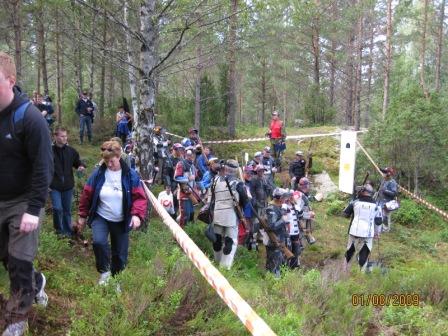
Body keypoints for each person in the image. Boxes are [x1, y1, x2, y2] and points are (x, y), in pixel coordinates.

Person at [0, 52, 53, 336]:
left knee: (19, 259)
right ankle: (37, 282)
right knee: (6, 256)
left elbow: (44, 168)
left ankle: (16, 320)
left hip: (23, 200)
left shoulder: (29, 118)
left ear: (10, 80)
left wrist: (33, 210)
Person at [76, 140, 147, 285]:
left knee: (120, 255)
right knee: (99, 242)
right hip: (101, 216)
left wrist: (136, 215)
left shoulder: (131, 175)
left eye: (112, 161)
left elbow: (139, 197)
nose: (109, 164)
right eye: (106, 160)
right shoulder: (98, 174)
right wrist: (82, 216)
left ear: (119, 156)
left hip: (121, 219)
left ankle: (116, 281)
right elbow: (86, 194)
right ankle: (105, 273)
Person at [208, 160, 249, 269]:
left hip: (217, 214)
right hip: (231, 217)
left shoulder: (215, 180)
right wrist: (242, 215)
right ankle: (225, 267)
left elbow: (211, 198)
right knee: (230, 242)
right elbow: (245, 202)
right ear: (236, 170)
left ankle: (216, 262)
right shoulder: (238, 183)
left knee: (216, 240)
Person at [50, 127, 86, 237]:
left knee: (66, 210)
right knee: (57, 208)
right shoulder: (48, 151)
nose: (65, 138)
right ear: (55, 136)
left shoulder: (71, 151)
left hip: (68, 186)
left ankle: (68, 232)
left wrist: (81, 166)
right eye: (62, 136)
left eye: (66, 136)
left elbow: (78, 163)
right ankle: (59, 231)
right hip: (54, 185)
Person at [343, 184, 382, 271]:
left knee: (350, 251)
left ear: (363, 191)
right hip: (368, 233)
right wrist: (377, 233)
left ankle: (344, 271)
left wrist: (352, 203)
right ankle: (361, 274)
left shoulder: (355, 202)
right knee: (364, 253)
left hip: (354, 231)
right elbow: (378, 222)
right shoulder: (376, 206)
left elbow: (345, 214)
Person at [265, 188, 289, 277]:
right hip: (274, 241)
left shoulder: (278, 207)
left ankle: (276, 282)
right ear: (279, 198)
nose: (285, 199)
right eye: (284, 197)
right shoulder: (271, 209)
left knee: (279, 263)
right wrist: (282, 220)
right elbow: (271, 226)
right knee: (274, 265)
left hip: (279, 240)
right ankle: (274, 283)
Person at [174, 148, 198, 227]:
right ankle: (180, 234)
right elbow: (176, 177)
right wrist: (188, 179)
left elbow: (194, 180)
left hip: (192, 193)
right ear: (185, 154)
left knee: (191, 214)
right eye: (188, 154)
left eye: (191, 154)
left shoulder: (192, 165)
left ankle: (190, 233)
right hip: (184, 193)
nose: (190, 156)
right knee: (185, 215)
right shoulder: (181, 164)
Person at [377, 167, 398, 232]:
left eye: (385, 172)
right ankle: (379, 228)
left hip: (387, 202)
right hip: (380, 201)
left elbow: (394, 193)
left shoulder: (392, 182)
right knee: (379, 215)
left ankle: (385, 229)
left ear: (389, 174)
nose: (384, 174)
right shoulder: (384, 180)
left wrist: (385, 191)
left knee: (385, 216)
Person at [297, 177, 316, 244]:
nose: (309, 187)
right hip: (300, 225)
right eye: (308, 185)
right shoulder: (300, 196)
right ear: (305, 186)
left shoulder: (303, 194)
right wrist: (309, 215)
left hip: (304, 224)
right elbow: (297, 212)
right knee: (300, 244)